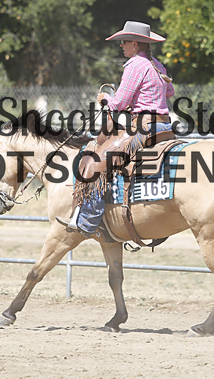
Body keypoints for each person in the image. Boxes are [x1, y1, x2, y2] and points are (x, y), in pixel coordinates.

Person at [57, 21, 175, 237]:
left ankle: (88, 222)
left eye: (124, 42)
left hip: (143, 127)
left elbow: (119, 103)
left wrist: (105, 99)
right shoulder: (157, 65)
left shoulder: (135, 65)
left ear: (135, 44)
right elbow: (169, 92)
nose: (121, 46)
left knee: (95, 163)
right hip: (164, 126)